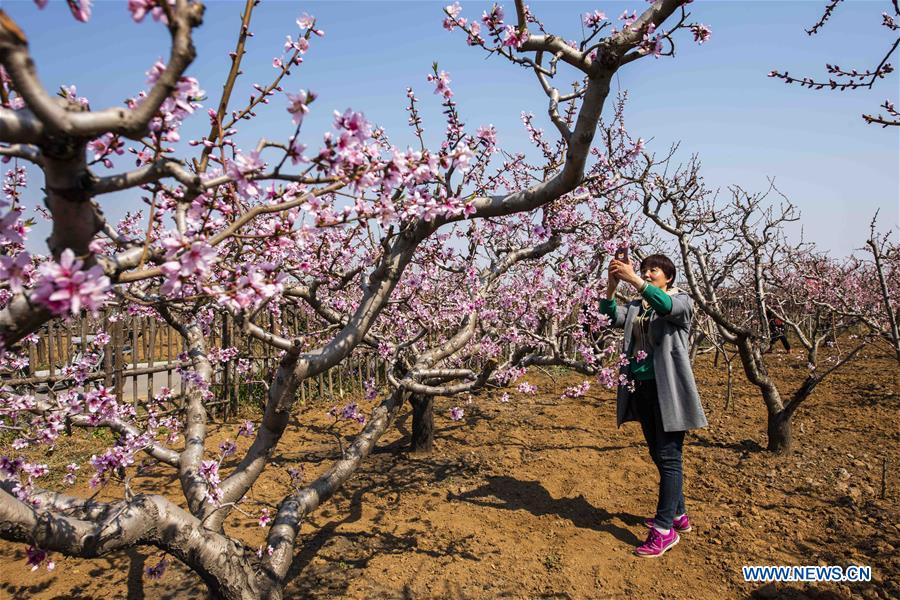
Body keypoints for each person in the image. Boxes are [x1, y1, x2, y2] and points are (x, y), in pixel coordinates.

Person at [601, 253, 707, 557]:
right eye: (645, 270)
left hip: (669, 391)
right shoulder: (637, 307)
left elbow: (666, 306)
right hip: (642, 389)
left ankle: (663, 530)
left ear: (668, 278)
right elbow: (610, 317)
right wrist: (611, 286)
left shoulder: (680, 301)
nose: (647, 274)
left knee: (670, 455)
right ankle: (678, 515)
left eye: (653, 271)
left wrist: (634, 279)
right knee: (657, 453)